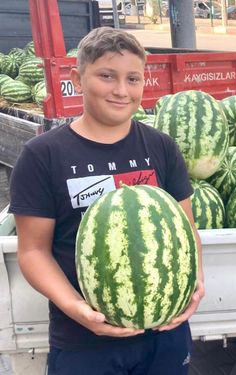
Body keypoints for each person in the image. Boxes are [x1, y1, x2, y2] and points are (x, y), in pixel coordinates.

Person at [8, 27, 204, 375]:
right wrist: (76, 308)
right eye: (106, 76)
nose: (121, 90)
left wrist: (195, 283)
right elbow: (33, 251)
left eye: (133, 78)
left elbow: (187, 230)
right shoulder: (43, 155)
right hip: (84, 341)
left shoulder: (162, 147)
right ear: (77, 79)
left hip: (164, 334)